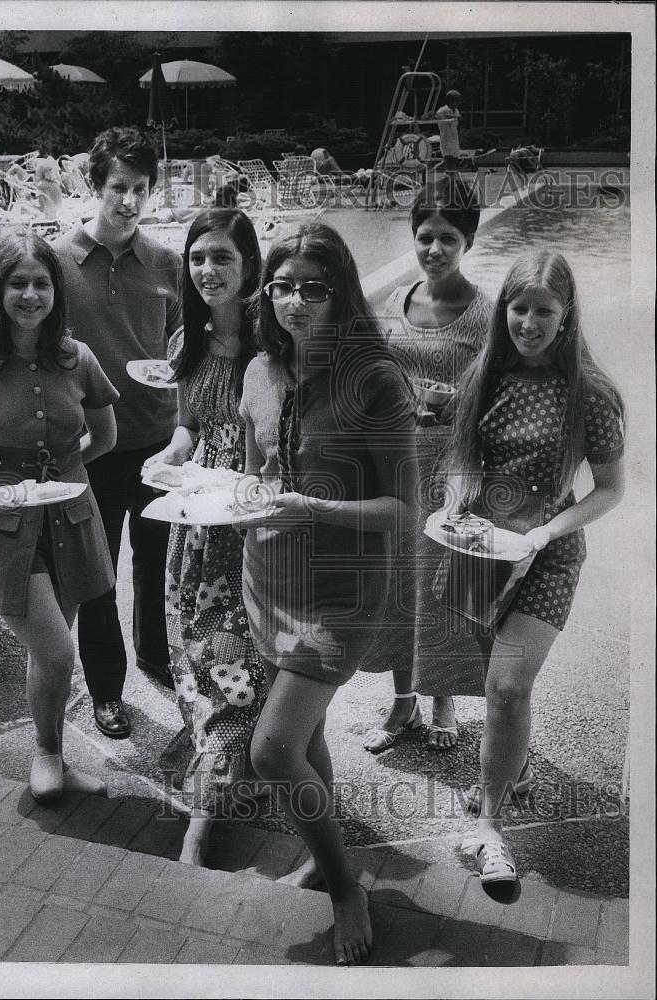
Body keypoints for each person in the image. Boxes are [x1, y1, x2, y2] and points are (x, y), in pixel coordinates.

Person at [240, 223, 418, 965]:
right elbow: (254, 478)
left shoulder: (375, 378)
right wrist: (231, 498)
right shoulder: (257, 368)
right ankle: (326, 850)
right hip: (268, 576)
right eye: (281, 286)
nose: (295, 301)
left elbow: (405, 511)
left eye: (314, 287)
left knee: (273, 751)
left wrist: (312, 508)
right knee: (305, 739)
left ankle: (346, 886)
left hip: (341, 589)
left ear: (342, 291)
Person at [443, 250, 625, 885]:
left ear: (566, 313)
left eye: (543, 310)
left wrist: (547, 531)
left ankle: (489, 827)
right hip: (479, 546)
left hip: (547, 553)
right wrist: (451, 507)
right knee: (487, 665)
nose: (528, 322)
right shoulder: (485, 375)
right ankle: (514, 768)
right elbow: (462, 459)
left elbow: (608, 490)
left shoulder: (592, 392)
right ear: (504, 311)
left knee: (507, 687)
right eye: (518, 308)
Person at [0, 228, 120, 803]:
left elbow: (105, 435)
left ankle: (54, 756)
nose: (30, 294)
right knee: (59, 652)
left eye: (41, 283)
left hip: (68, 517)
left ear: (56, 291)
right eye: (18, 283)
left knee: (49, 651)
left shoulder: (76, 358)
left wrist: (60, 473)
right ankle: (45, 754)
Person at [143, 208, 266, 867]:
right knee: (200, 657)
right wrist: (171, 457)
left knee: (240, 668)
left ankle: (202, 821)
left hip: (248, 529)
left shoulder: (270, 348)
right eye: (198, 258)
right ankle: (232, 771)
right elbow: (189, 426)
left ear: (248, 267)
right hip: (195, 531)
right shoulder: (185, 344)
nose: (208, 270)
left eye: (222, 257)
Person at [53, 127, 183, 739]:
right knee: (98, 572)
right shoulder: (55, 263)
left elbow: (186, 348)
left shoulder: (166, 263)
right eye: (116, 188)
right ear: (92, 185)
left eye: (139, 189)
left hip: (159, 443)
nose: (128, 201)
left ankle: (158, 657)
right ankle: (108, 687)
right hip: (92, 447)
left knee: (158, 561)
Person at [363, 176, 493, 754]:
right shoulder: (396, 302)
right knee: (397, 585)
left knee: (442, 586)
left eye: (447, 238)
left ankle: (442, 700)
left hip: (454, 467)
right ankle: (401, 701)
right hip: (396, 463)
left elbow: (497, 396)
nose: (434, 249)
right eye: (424, 237)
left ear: (468, 240)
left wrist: (454, 405)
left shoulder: (487, 314)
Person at [33, 147, 64, 219]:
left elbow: (40, 205)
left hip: (46, 214)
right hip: (56, 212)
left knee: (24, 206)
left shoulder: (41, 186)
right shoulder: (56, 185)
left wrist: (27, 197)